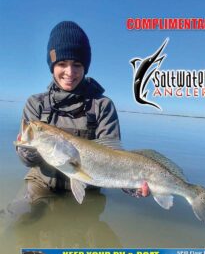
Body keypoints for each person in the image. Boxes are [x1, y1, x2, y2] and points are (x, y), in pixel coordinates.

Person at [16, 21, 148, 204]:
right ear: (52, 65)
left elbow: (114, 157)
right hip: (42, 184)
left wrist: (131, 186)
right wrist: (26, 150)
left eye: (77, 64)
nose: (70, 72)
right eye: (62, 63)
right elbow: (28, 162)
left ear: (85, 67)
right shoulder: (36, 104)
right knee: (16, 223)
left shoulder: (103, 106)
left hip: (90, 189)